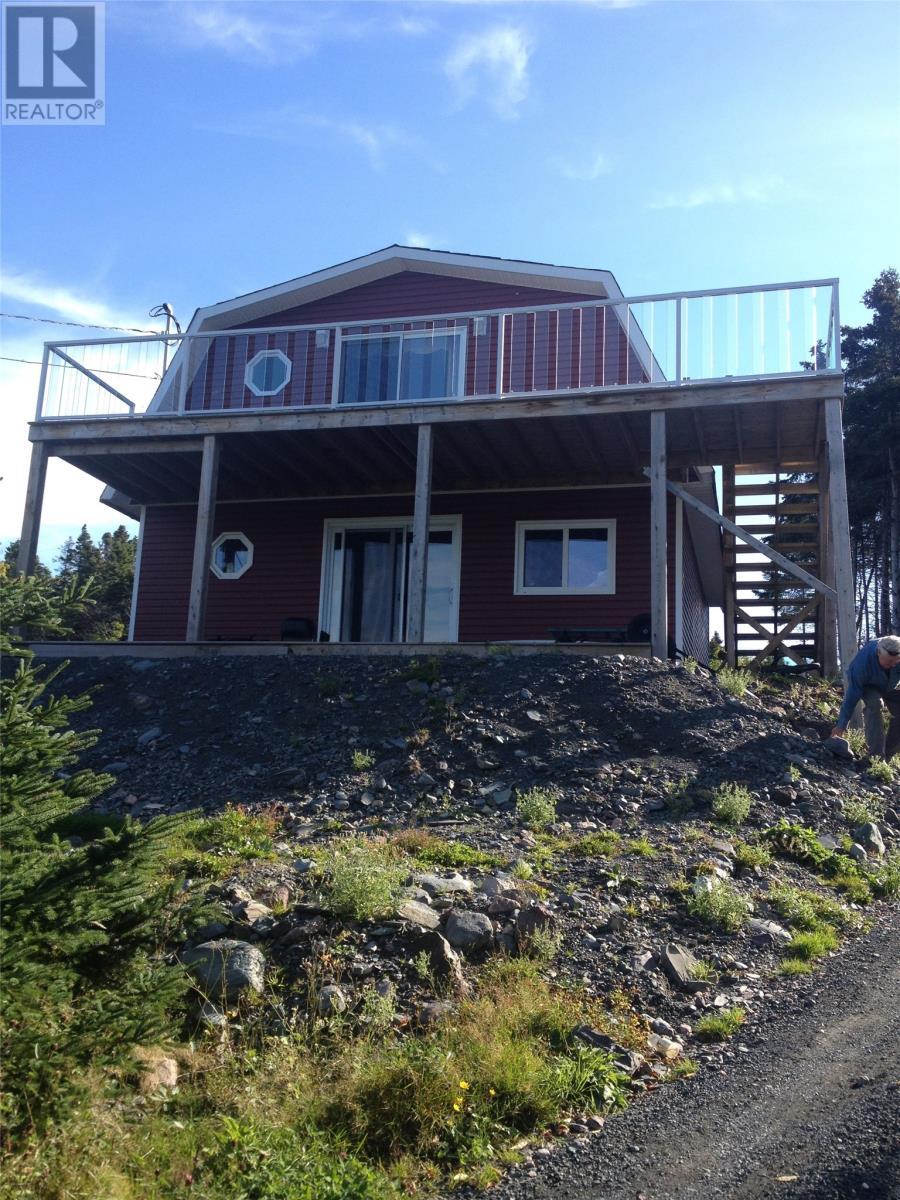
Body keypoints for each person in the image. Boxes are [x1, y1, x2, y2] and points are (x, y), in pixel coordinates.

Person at [830, 635, 900, 760]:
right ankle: (876, 757)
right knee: (875, 703)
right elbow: (851, 697)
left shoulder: (896, 661)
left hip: (892, 685)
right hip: (870, 685)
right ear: (878, 653)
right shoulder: (862, 664)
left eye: (895, 661)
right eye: (888, 661)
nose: (892, 664)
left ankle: (888, 756)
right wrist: (841, 725)